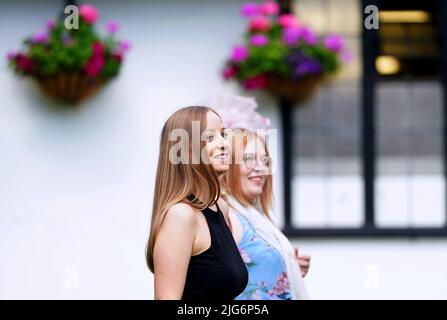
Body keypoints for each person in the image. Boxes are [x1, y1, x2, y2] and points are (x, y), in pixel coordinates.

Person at [146, 106, 248, 300]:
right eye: (210, 138)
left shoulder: (220, 208)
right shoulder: (181, 216)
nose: (224, 144)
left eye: (223, 134)